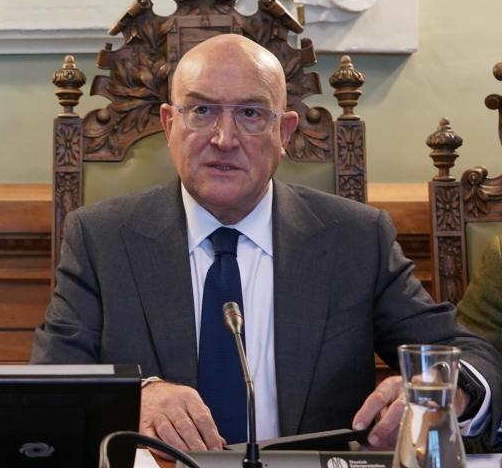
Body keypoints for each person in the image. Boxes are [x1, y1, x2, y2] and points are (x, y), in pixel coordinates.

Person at [30, 34, 502, 453]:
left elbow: (467, 355)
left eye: (251, 114)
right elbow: (50, 385)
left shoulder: (356, 239)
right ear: (170, 124)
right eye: (202, 110)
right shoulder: (101, 237)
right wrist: (138, 393)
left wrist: (443, 389)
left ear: (285, 133)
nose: (223, 137)